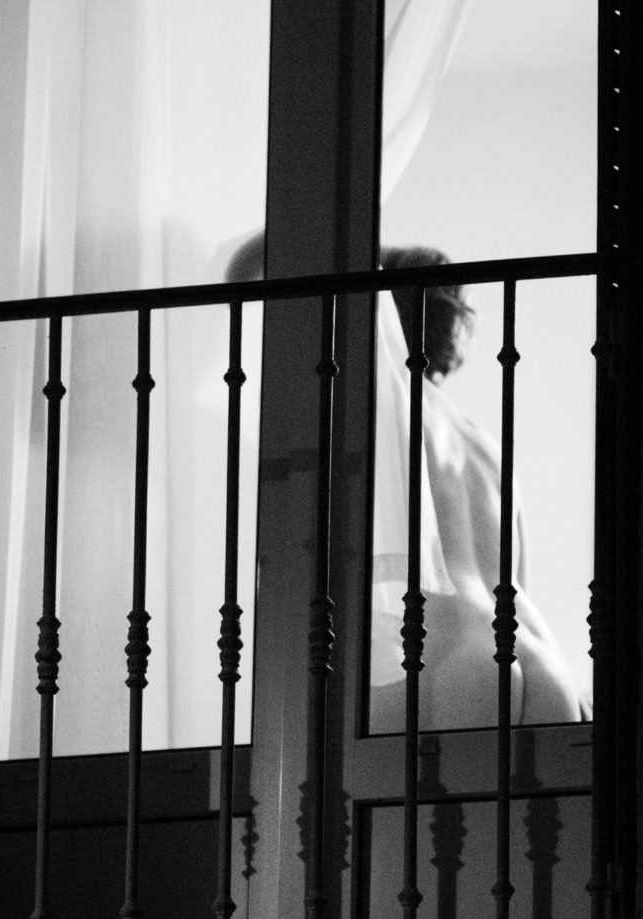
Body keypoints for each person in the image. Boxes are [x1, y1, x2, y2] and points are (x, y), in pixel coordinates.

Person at [225, 233, 588, 732]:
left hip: (447, 659)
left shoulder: (371, 404)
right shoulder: (483, 443)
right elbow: (517, 573)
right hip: (541, 660)